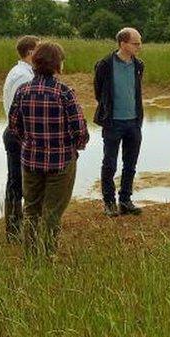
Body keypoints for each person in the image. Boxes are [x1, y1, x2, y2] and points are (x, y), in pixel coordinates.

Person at [8, 41, 89, 258]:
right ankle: (47, 257)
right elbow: (79, 129)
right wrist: (74, 148)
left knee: (31, 210)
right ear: (57, 65)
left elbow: (14, 127)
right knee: (52, 213)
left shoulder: (23, 91)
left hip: (31, 161)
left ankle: (31, 257)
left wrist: (30, 143)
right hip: (61, 162)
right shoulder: (64, 93)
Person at [93, 27, 145, 217]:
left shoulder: (139, 65)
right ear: (123, 44)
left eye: (139, 42)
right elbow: (99, 92)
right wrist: (108, 112)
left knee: (130, 164)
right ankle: (109, 203)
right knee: (110, 164)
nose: (139, 46)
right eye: (136, 43)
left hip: (134, 122)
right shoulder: (105, 64)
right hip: (113, 122)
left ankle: (125, 200)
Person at [1, 35, 39, 242]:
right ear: (31, 52)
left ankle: (16, 227)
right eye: (39, 49)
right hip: (19, 135)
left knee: (17, 181)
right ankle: (14, 230)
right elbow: (21, 112)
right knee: (18, 182)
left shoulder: (20, 72)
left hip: (16, 133)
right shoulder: (24, 77)